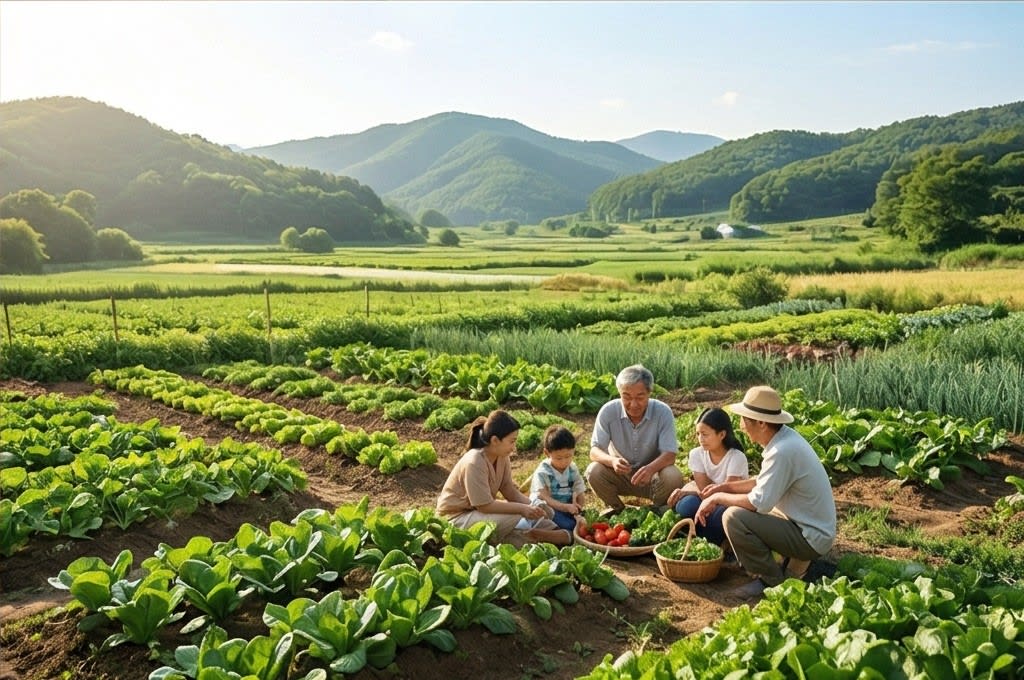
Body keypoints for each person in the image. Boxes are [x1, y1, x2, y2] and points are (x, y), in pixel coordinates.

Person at [694, 385, 836, 599]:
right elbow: (761, 482)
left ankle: (771, 581)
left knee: (733, 517)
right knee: (738, 510)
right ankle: (783, 566)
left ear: (761, 423)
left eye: (744, 419)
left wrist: (717, 497)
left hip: (811, 536)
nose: (740, 426)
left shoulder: (782, 451)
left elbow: (757, 503)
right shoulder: (784, 440)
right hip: (806, 524)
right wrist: (725, 487)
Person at [437, 410, 571, 546]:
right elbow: (484, 506)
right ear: (495, 440)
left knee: (531, 514)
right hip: (458, 519)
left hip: (479, 514)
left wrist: (534, 505)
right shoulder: (474, 461)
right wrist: (522, 509)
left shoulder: (502, 456)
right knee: (516, 515)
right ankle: (539, 538)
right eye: (512, 441)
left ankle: (544, 535)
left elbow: (509, 490)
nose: (514, 447)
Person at [586, 364, 684, 512]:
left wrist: (651, 469)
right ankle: (617, 509)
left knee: (673, 475)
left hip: (653, 477)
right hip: (620, 475)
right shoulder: (608, 411)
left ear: (649, 393)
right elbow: (594, 451)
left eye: (640, 397)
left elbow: (670, 455)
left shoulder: (662, 412)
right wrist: (612, 461)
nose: (633, 404)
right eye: (626, 397)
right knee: (594, 471)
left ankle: (655, 510)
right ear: (619, 393)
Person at [665, 407, 749, 546]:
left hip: (729, 500)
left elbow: (726, 491)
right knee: (686, 506)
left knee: (717, 517)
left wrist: (693, 492)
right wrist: (691, 492)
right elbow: (705, 489)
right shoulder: (696, 454)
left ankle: (710, 542)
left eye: (705, 434)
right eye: (698, 434)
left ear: (722, 434)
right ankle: (697, 537)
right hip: (706, 496)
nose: (700, 439)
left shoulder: (736, 457)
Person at [527, 425, 587, 532]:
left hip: (568, 507)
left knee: (583, 523)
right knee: (569, 526)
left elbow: (579, 491)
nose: (564, 461)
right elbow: (545, 498)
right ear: (547, 453)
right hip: (550, 508)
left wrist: (578, 509)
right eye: (559, 458)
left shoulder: (572, 469)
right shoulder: (543, 472)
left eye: (568, 456)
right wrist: (564, 507)